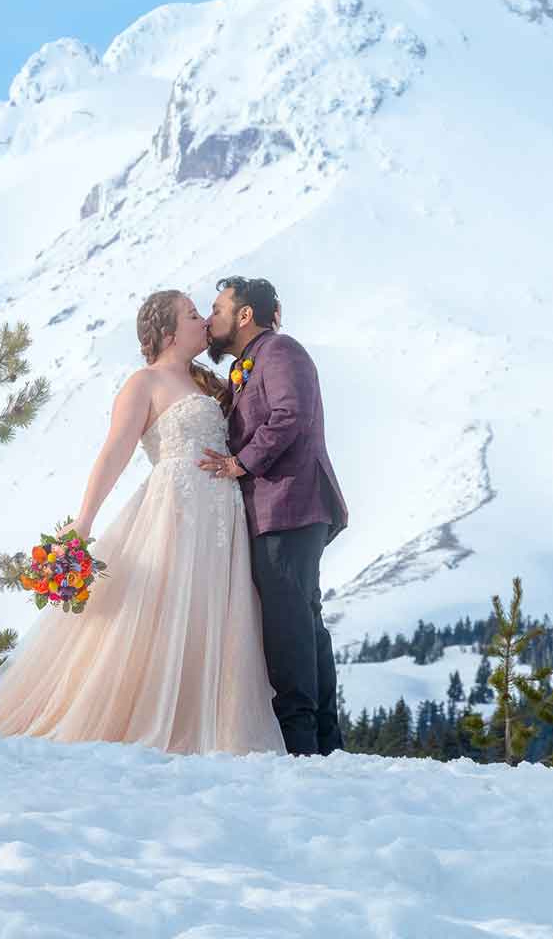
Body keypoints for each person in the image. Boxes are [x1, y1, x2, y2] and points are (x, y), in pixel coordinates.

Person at [0, 290, 284, 756]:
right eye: (193, 316)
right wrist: (82, 524)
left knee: (212, 611)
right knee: (164, 609)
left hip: (222, 515)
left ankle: (206, 717)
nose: (203, 322)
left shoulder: (206, 384)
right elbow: (114, 453)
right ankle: (152, 714)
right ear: (168, 333)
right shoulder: (143, 384)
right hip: (175, 510)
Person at [199, 276, 348, 755]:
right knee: (302, 620)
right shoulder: (251, 362)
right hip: (282, 508)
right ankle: (323, 742)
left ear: (245, 315)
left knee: (289, 624)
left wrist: (242, 463)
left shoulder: (280, 351)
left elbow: (290, 414)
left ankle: (300, 743)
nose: (210, 318)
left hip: (289, 505)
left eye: (218, 308)